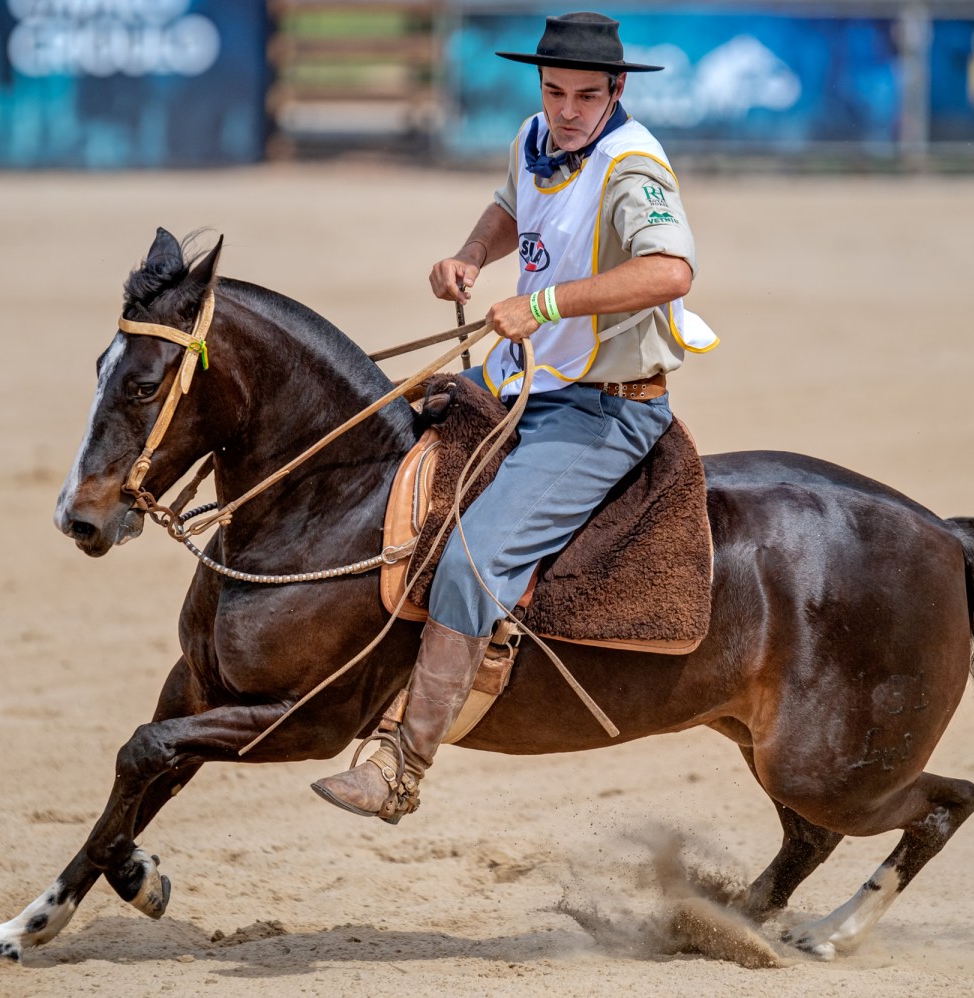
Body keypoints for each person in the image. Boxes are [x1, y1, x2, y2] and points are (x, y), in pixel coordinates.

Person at [312, 11, 716, 822]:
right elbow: (511, 206)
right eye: (554, 90)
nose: (566, 110)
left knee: (469, 559)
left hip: (601, 411)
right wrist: (469, 255)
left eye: (584, 96)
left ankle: (401, 765)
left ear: (618, 91)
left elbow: (671, 272)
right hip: (519, 385)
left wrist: (544, 303)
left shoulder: (633, 167)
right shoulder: (536, 137)